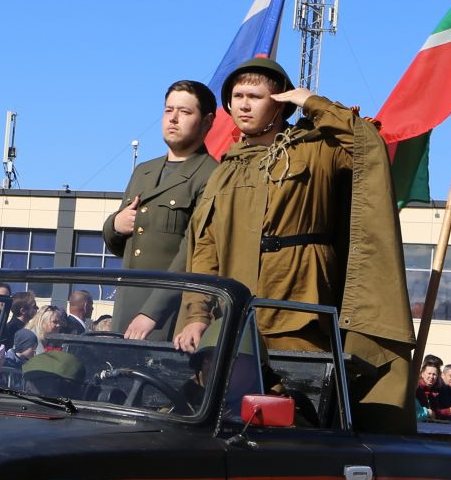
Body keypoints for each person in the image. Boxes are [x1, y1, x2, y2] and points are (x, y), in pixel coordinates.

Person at [175, 58, 415, 427]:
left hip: (299, 311)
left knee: (302, 412)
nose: (243, 104)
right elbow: (205, 251)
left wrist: (313, 102)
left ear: (281, 102)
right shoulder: (226, 169)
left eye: (255, 96)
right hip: (239, 318)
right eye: (237, 96)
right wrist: (197, 316)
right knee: (223, 417)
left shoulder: (316, 148)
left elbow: (368, 144)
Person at [103, 80, 218, 341]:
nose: (173, 119)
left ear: (208, 121)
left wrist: (153, 311)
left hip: (168, 313)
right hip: (126, 309)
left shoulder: (211, 174)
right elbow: (122, 245)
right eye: (168, 110)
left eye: (185, 112)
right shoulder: (144, 171)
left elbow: (192, 251)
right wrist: (115, 225)